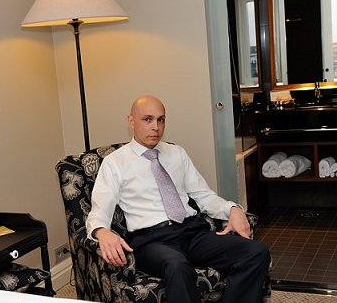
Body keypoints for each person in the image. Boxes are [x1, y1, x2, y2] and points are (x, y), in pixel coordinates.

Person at [86, 95, 270, 303]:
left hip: (192, 231)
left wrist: (233, 209)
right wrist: (101, 232)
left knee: (256, 252)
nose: (156, 126)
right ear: (131, 121)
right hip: (151, 240)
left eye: (161, 119)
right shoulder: (115, 163)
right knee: (177, 265)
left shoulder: (177, 153)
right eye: (147, 119)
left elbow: (204, 196)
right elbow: (99, 210)